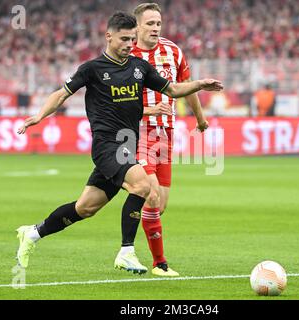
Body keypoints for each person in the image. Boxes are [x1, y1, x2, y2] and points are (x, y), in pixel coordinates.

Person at [15, 12, 223, 274]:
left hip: (127, 146)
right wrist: (38, 116)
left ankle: (32, 233)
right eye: (124, 39)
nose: (128, 43)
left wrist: (199, 85)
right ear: (109, 36)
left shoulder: (139, 68)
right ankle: (126, 252)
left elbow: (172, 89)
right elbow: (61, 95)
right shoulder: (92, 69)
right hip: (107, 146)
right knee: (143, 185)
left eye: (132, 39)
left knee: (85, 208)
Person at [130, 3, 209, 277]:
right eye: (150, 23)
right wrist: (150, 109)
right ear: (137, 26)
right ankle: (159, 264)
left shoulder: (173, 51)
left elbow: (186, 88)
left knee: (159, 204)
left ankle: (130, 205)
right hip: (136, 132)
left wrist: (200, 119)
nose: (155, 28)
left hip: (165, 134)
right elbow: (119, 100)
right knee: (150, 195)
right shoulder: (126, 55)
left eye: (158, 24)